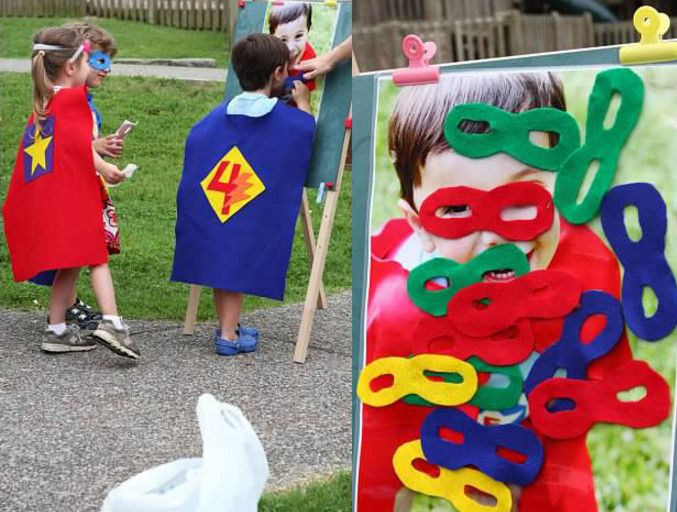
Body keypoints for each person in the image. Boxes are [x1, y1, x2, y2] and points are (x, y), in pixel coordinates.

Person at [358, 72, 634, 511]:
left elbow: (597, 378)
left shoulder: (589, 271)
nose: (497, 235)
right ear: (419, 226)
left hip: (532, 416)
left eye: (524, 196)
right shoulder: (394, 313)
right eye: (457, 209)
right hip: (430, 409)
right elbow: (375, 467)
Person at [2, 26, 140, 359]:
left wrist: (103, 167)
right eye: (88, 62)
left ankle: (57, 329)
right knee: (97, 258)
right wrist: (107, 169)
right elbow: (79, 147)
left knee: (72, 262)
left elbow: (70, 146)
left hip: (55, 199)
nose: (94, 68)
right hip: (73, 197)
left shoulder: (47, 102)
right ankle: (112, 324)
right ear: (71, 67)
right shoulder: (74, 101)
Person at [171, 33, 314, 356]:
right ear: (278, 73)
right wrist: (303, 104)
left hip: (216, 204)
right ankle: (228, 337)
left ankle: (230, 327)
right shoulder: (285, 119)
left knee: (223, 267)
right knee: (233, 268)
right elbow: (304, 132)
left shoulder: (215, 117)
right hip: (243, 207)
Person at [268, 1, 316, 105]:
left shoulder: (309, 58)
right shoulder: (269, 54)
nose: (291, 48)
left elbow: (303, 89)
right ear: (272, 37)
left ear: (309, 30)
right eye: (283, 40)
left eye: (298, 36)